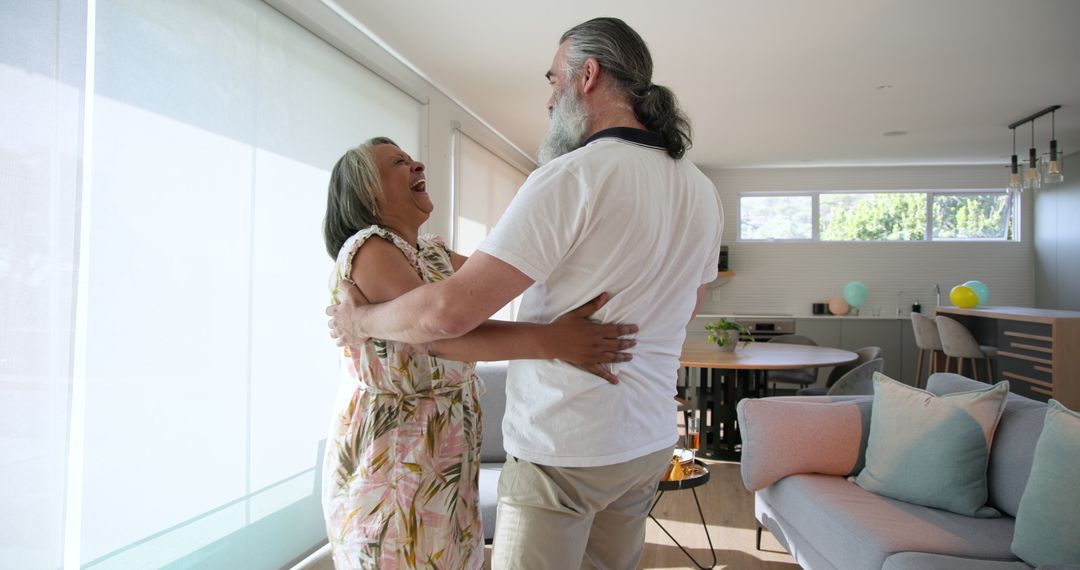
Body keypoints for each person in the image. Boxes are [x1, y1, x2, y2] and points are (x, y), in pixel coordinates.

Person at [327, 17, 724, 569]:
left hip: (567, 443)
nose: (548, 99)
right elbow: (691, 303)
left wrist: (360, 322)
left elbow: (447, 315)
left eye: (552, 79)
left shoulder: (573, 176)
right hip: (646, 439)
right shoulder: (702, 191)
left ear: (588, 75)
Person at [320, 137, 639, 569]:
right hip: (396, 457)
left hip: (442, 454)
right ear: (367, 192)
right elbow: (444, 335)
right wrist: (555, 341)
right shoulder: (370, 248)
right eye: (398, 162)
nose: (417, 164)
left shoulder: (429, 251)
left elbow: (498, 283)